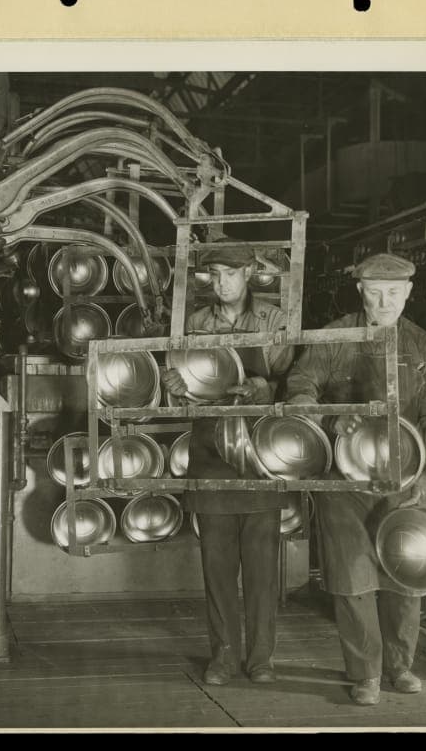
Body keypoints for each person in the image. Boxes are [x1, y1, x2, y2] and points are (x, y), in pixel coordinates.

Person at [285, 253, 426, 706]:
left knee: (406, 574)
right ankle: (366, 674)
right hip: (345, 484)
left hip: (406, 480)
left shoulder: (423, 347)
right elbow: (300, 385)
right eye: (376, 292)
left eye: (394, 294)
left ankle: (400, 667)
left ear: (408, 294)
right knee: (351, 580)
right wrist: (329, 415)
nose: (385, 302)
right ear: (361, 290)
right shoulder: (334, 338)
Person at [162, 242, 294, 686]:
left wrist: (262, 388)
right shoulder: (195, 323)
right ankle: (222, 656)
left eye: (230, 274)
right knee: (217, 569)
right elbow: (185, 388)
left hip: (261, 453)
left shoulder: (274, 319)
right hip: (211, 453)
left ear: (251, 272)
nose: (221, 284)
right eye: (214, 275)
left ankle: (261, 659)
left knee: (261, 571)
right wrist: (176, 384)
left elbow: (291, 380)